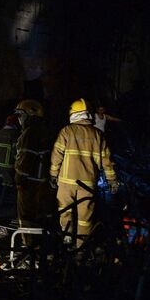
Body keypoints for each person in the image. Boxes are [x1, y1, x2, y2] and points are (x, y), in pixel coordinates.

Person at [50, 98, 118, 247]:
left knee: (65, 209)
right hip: (88, 184)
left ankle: (67, 239)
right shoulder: (98, 135)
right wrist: (112, 180)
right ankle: (81, 247)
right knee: (85, 217)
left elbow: (57, 155)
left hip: (67, 182)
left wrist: (53, 175)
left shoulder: (67, 131)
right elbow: (107, 161)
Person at [13, 99, 52, 246]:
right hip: (42, 181)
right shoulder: (44, 130)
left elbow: (25, 159)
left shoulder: (29, 133)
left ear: (29, 115)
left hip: (29, 184)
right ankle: (41, 247)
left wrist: (19, 180)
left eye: (20, 115)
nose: (18, 118)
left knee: (26, 215)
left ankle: (29, 246)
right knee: (40, 215)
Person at [0, 114, 20, 204]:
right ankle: (4, 204)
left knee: (0, 183)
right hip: (8, 165)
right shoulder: (15, 134)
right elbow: (16, 152)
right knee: (8, 185)